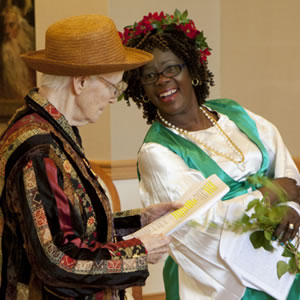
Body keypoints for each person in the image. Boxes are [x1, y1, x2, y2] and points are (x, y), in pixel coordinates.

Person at [119, 9, 300, 300]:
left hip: (281, 255)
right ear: (141, 89)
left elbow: (286, 170)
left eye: (172, 68)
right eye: (149, 76)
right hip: (219, 280)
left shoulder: (232, 112)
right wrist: (273, 195)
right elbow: (199, 222)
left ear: (191, 68)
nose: (162, 80)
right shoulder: (156, 151)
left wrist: (293, 207)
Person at [0, 14, 182, 300]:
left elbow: (70, 224)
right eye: (113, 87)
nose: (113, 98)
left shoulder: (53, 130)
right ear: (81, 82)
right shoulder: (38, 148)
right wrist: (139, 251)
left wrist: (139, 221)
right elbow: (56, 260)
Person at [0, 4, 35, 100]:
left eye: (11, 25)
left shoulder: (30, 51)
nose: (7, 31)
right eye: (4, 26)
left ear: (20, 26)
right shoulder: (3, 54)